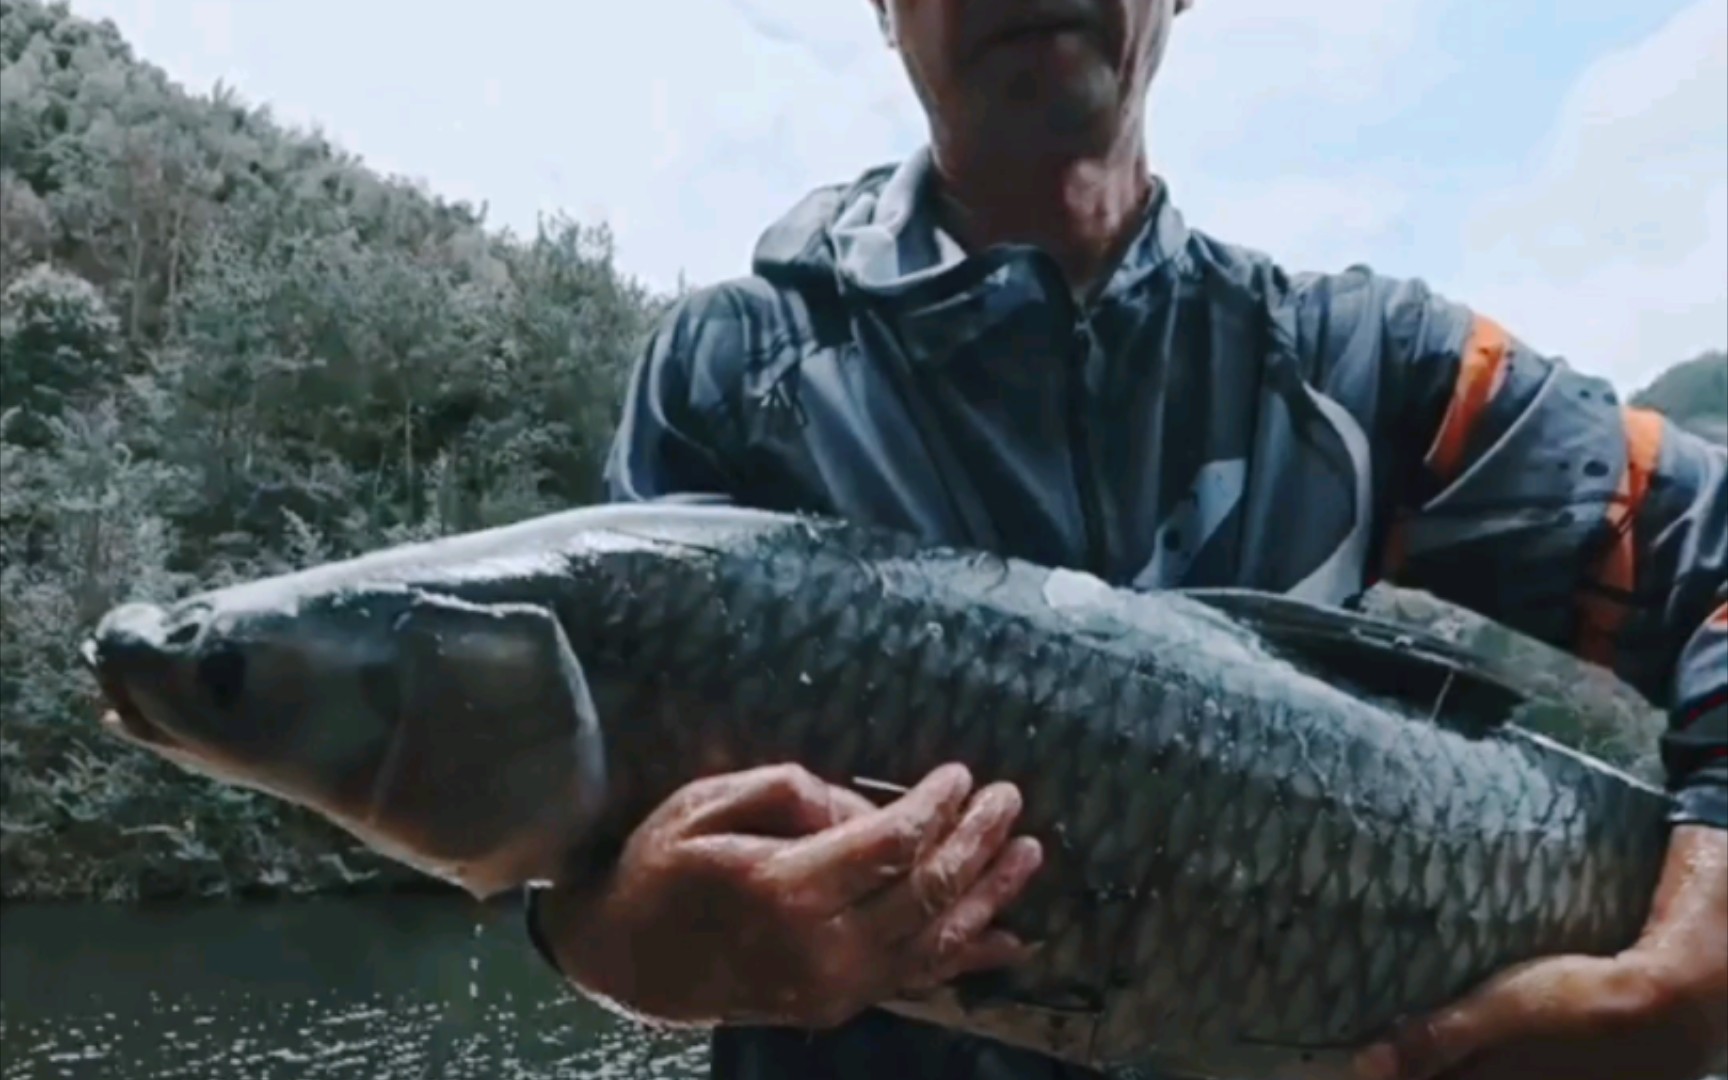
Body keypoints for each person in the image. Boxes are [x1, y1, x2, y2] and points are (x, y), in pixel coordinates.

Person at [526, 1, 1728, 1077]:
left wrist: (1701, 948)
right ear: (884, 11)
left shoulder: (1368, 369)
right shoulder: (731, 378)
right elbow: (587, 841)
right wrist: (606, 947)